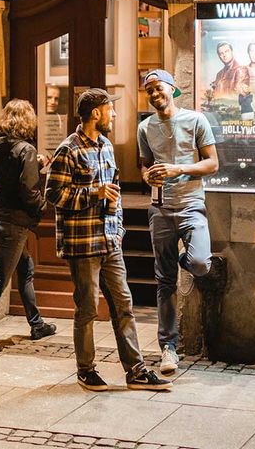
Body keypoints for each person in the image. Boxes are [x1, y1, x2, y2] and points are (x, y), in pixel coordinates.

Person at [47, 88, 170, 392]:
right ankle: (85, 370)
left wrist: (118, 231)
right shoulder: (69, 149)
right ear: (96, 114)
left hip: (109, 241)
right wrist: (93, 193)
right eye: (110, 109)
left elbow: (113, 192)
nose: (114, 114)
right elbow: (54, 195)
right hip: (83, 243)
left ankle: (136, 370)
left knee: (124, 304)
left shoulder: (106, 146)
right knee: (87, 308)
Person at [137, 69, 220, 374]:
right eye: (149, 91)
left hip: (190, 206)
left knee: (199, 262)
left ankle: (188, 258)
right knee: (165, 281)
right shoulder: (145, 127)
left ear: (172, 89)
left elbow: (212, 162)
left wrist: (175, 169)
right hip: (159, 210)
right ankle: (168, 347)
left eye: (158, 88)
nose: (154, 94)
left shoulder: (196, 120)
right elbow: (144, 167)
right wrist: (150, 176)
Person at [0, 99, 59, 354]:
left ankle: (37, 324)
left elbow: (11, 176)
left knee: (25, 267)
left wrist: (33, 165)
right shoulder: (25, 149)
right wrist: (43, 206)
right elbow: (27, 190)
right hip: (14, 223)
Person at [211, 41, 253, 117]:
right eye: (221, 53)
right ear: (219, 56)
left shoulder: (240, 70)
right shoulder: (219, 74)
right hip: (220, 112)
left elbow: (240, 95)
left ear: (232, 52)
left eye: (226, 51)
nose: (224, 55)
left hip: (234, 113)